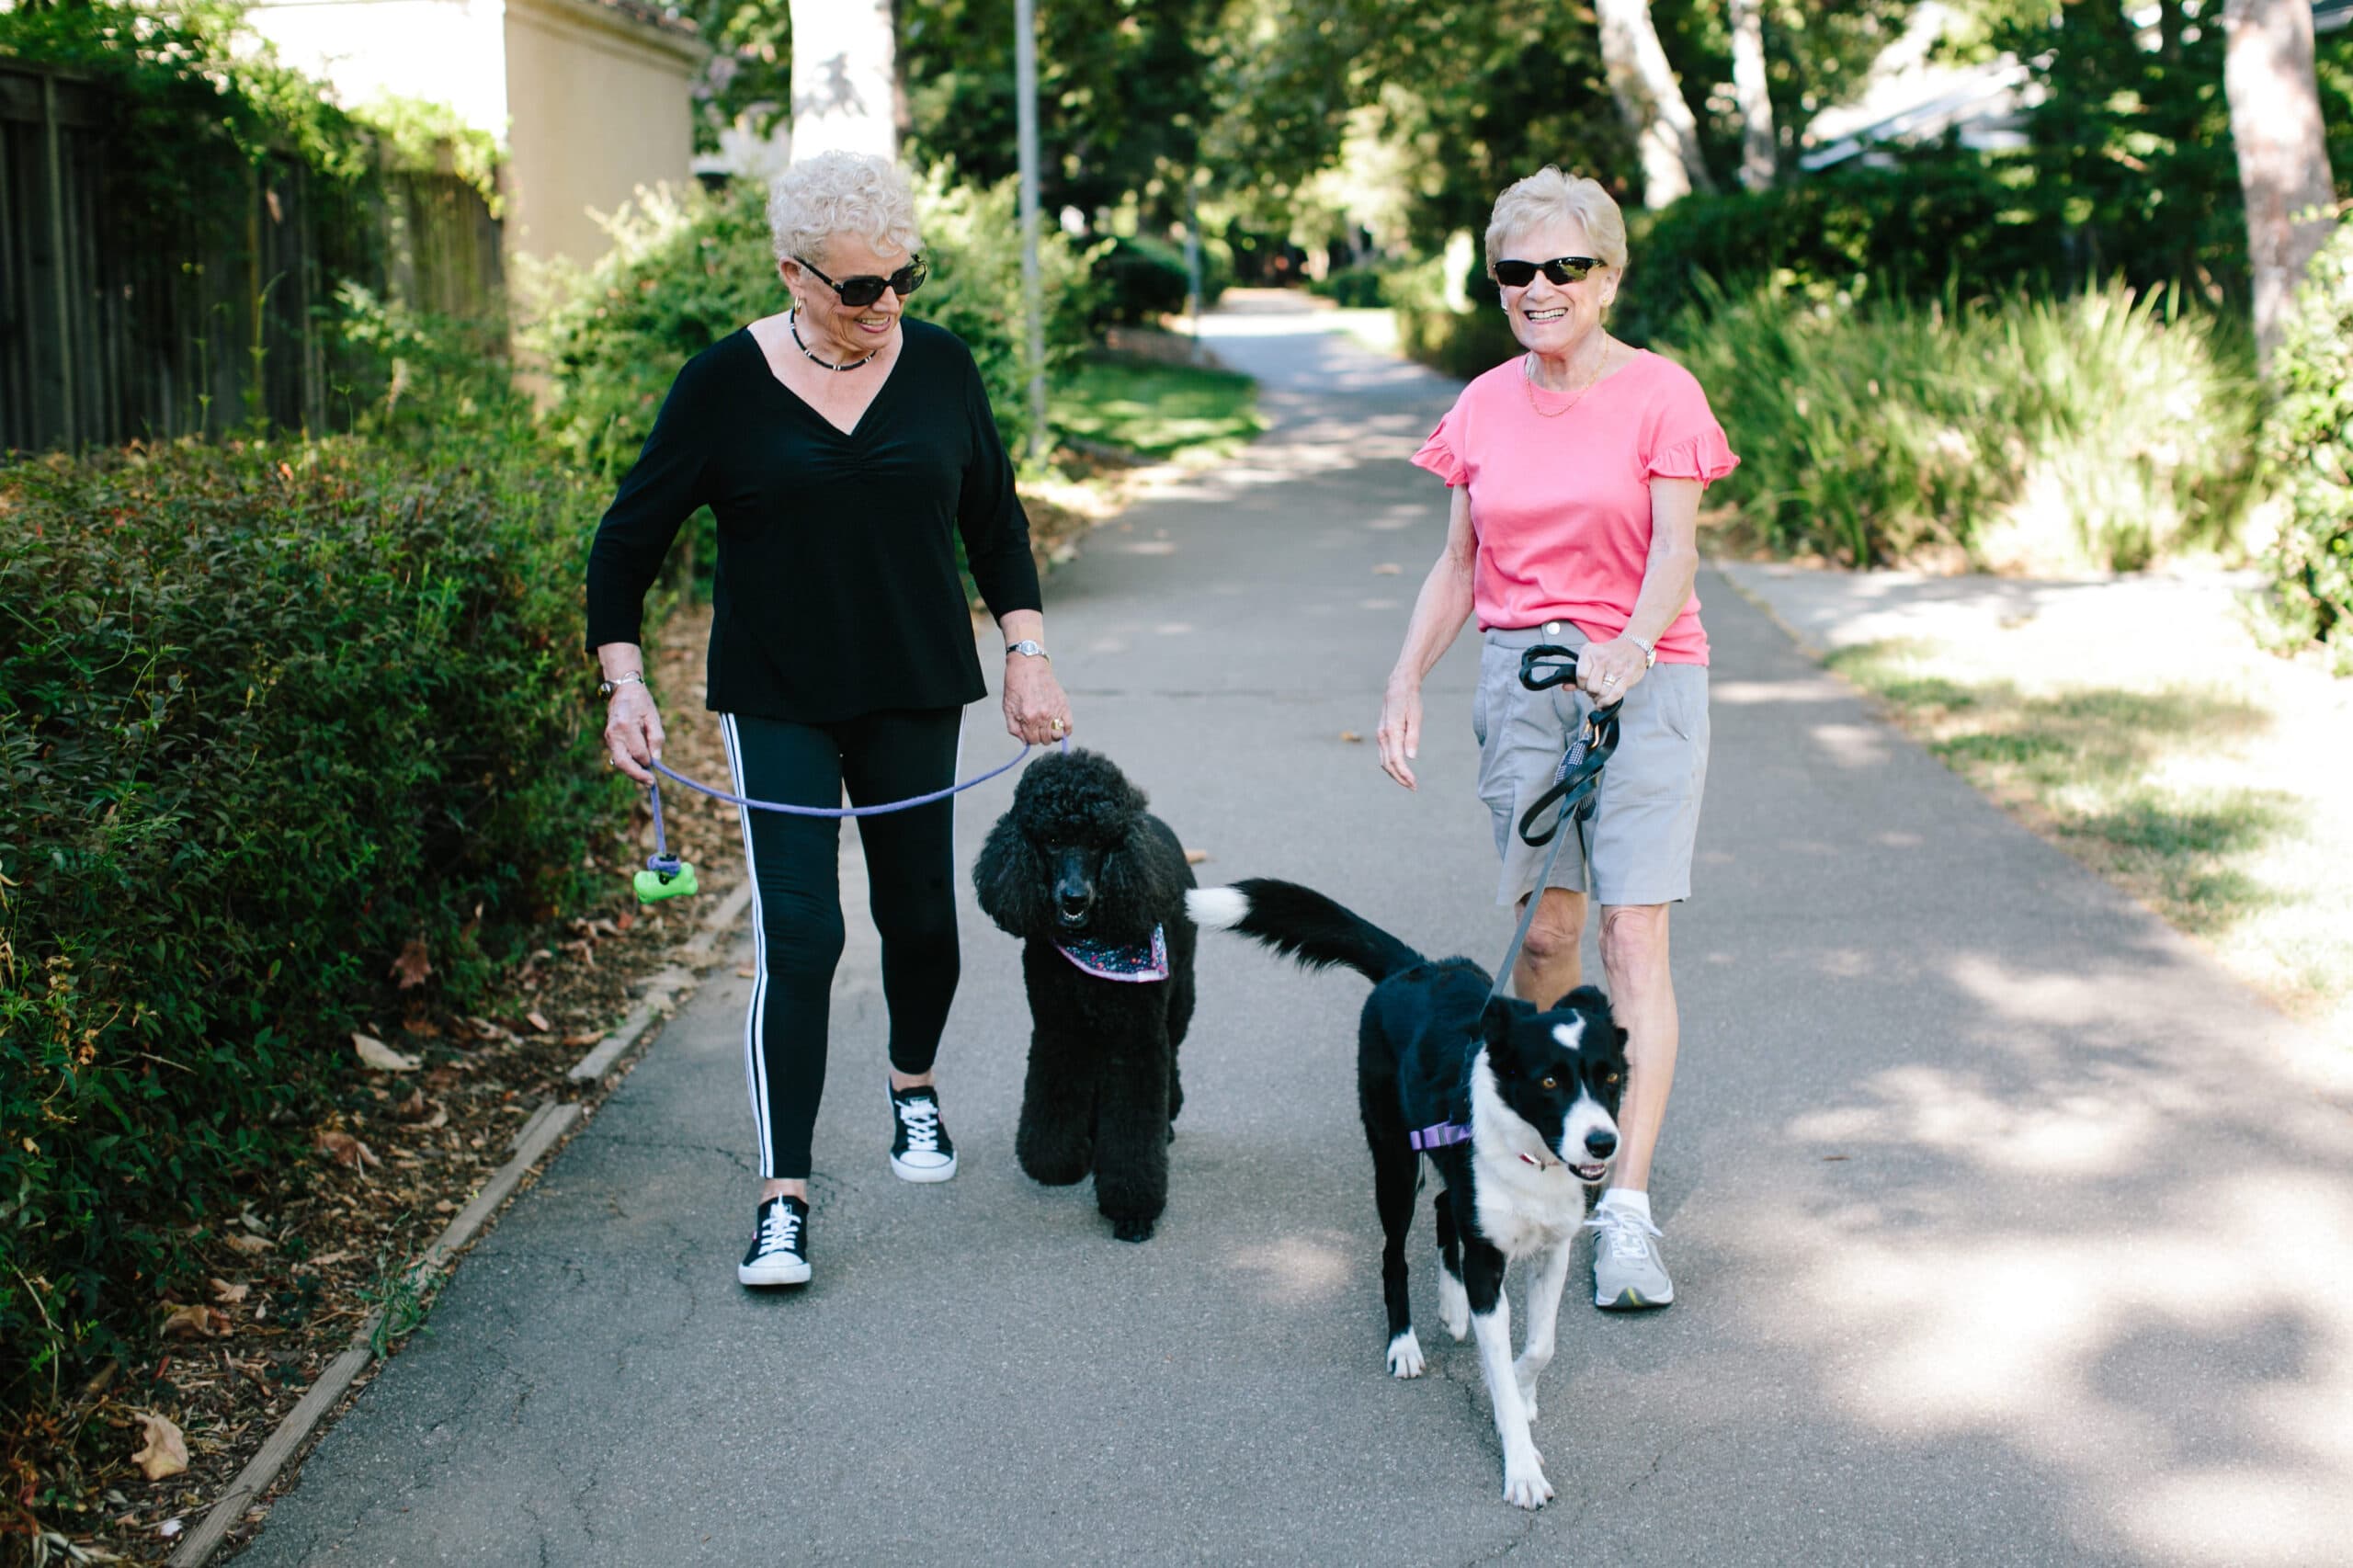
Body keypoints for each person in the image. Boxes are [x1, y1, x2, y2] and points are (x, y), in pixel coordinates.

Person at [585, 150, 1073, 1290]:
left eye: (905, 276)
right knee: (802, 939)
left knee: (921, 922)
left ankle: (912, 1084)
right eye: (860, 289)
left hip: (913, 684)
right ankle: (782, 1199)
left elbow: (994, 524)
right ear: (792, 275)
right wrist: (626, 680)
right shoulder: (721, 385)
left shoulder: (941, 367)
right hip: (778, 699)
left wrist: (1028, 652)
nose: (887, 305)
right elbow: (627, 542)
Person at [1376, 166, 1737, 1312]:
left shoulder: (1661, 394)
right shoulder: (1481, 404)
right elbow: (1458, 562)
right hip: (1522, 683)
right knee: (1546, 946)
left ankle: (1623, 1209)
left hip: (1647, 678)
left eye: (1562, 268)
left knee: (1633, 938)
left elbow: (1673, 550)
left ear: (1606, 275)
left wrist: (1629, 644)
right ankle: (1559, 1131)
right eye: (1515, 272)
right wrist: (1404, 677)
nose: (1538, 289)